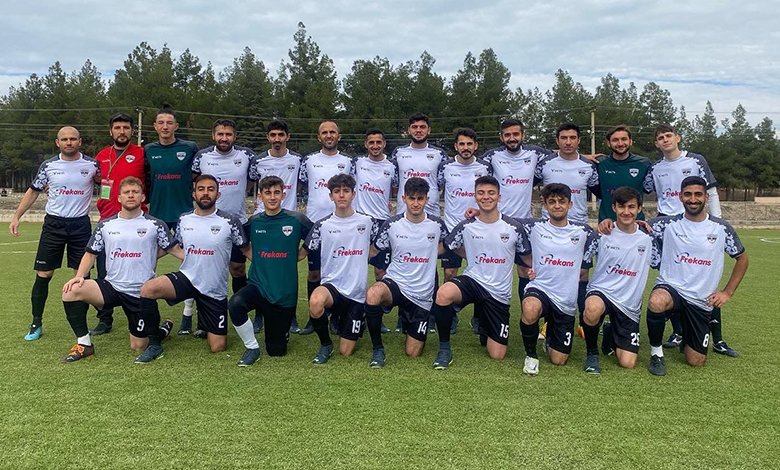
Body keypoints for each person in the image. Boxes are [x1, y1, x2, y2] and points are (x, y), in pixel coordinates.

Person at [60, 177, 182, 362]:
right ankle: (85, 345)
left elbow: (174, 249)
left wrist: (200, 258)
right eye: (126, 192)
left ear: (143, 197)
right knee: (71, 291)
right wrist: (79, 276)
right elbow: (90, 254)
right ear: (119, 198)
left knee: (138, 346)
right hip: (112, 287)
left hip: (141, 292)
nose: (131, 195)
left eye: (135, 192)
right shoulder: (106, 225)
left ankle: (161, 331)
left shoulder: (155, 224)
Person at [134, 174, 251, 362]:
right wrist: (143, 256)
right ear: (194, 194)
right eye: (201, 189)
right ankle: (155, 343)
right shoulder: (184, 219)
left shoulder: (230, 221)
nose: (205, 193)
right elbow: (174, 246)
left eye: (210, 189)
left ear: (218, 194)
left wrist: (271, 265)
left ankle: (204, 321)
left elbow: (246, 250)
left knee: (218, 347)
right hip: (187, 278)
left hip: (214, 289)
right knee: (148, 289)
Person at [642, 124, 734, 355]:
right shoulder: (655, 168)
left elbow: (711, 190)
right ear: (656, 143)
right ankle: (679, 331)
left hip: (697, 223)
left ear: (678, 137)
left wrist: (717, 221)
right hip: (669, 227)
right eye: (660, 138)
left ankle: (718, 339)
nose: (665, 140)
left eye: (668, 136)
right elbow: (643, 188)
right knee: (673, 279)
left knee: (704, 278)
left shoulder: (695, 160)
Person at [645, 176, 748, 376]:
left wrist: (727, 292)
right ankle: (656, 354)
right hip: (672, 288)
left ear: (706, 197)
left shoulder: (721, 228)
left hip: (700, 300)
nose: (693, 199)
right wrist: (610, 224)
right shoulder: (665, 224)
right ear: (680, 197)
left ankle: (686, 333)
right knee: (657, 301)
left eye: (698, 194)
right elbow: (631, 226)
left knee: (696, 361)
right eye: (688, 194)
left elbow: (742, 258)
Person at [9, 126, 99, 342]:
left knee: (81, 277)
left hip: (80, 225)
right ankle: (36, 323)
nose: (69, 142)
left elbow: (106, 185)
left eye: (73, 139)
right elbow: (33, 191)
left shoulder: (93, 165)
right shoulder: (48, 165)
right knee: (44, 274)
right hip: (54, 225)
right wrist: (16, 216)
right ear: (57, 143)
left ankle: (82, 325)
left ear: (80, 141)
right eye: (64, 139)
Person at [430, 175, 527, 370]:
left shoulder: (514, 227)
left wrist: (537, 270)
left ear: (499, 197)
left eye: (491, 193)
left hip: (498, 293)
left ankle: (484, 325)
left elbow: (528, 257)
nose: (486, 197)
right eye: (481, 193)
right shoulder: (466, 225)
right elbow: (447, 246)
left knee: (497, 355)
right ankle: (444, 348)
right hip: (473, 281)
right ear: (475, 197)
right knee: (443, 293)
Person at [228, 176, 312, 366]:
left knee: (276, 351)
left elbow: (317, 233)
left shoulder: (296, 220)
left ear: (283, 195)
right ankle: (252, 347)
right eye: (267, 193)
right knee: (235, 304)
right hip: (259, 287)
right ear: (260, 197)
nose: (272, 197)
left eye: (276, 193)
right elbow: (240, 240)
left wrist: (302, 253)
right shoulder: (254, 222)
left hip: (284, 293)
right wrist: (252, 255)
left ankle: (279, 330)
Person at [364, 177, 447, 368]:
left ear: (427, 199)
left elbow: (447, 246)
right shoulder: (392, 225)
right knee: (373, 293)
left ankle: (409, 323)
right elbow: (373, 251)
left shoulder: (437, 225)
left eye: (420, 198)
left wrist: (430, 253)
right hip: (396, 283)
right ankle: (378, 349)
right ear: (404, 199)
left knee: (413, 353)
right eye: (412, 198)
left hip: (421, 294)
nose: (416, 203)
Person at [519, 183, 598, 376]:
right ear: (545, 205)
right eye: (552, 201)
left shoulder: (583, 231)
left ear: (570, 205)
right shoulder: (533, 227)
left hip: (565, 300)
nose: (557, 205)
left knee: (559, 360)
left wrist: (638, 224)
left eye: (561, 201)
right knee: (530, 308)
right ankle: (531, 356)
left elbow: (614, 232)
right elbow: (501, 221)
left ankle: (549, 337)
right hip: (540, 289)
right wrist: (478, 212)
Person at [300, 174, 378, 365]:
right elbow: (301, 254)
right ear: (331, 196)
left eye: (346, 191)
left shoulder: (368, 222)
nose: (341, 195)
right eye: (337, 191)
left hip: (357, 294)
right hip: (332, 288)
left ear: (353, 194)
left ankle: (361, 317)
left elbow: (380, 246)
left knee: (346, 352)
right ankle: (325, 345)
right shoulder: (322, 225)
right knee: (316, 301)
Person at [191, 119, 260, 329]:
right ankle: (204, 318)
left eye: (228, 134)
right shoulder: (201, 157)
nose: (224, 138)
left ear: (234, 137)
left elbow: (251, 180)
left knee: (238, 269)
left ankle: (241, 311)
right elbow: (195, 182)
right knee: (207, 269)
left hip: (238, 221)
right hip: (208, 224)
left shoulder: (246, 155)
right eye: (220, 134)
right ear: (213, 136)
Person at [535, 123, 601, 335]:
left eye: (573, 138)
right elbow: (525, 183)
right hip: (549, 230)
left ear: (579, 140)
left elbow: (601, 192)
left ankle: (582, 323)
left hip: (578, 229)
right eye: (564, 138)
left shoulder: (589, 167)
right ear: (557, 141)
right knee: (550, 274)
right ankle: (547, 323)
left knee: (581, 274)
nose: (568, 142)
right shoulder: (545, 164)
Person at [581, 187, 653, 374]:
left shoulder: (648, 237)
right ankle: (592, 353)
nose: (626, 212)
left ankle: (610, 332)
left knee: (627, 363)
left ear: (639, 209)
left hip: (628, 302)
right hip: (602, 291)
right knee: (592, 309)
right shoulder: (602, 234)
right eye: (621, 207)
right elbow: (581, 262)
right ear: (614, 208)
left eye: (631, 207)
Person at [143, 105, 200, 335]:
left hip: (185, 215)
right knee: (148, 262)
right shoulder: (148, 150)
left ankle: (188, 315)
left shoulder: (190, 148)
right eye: (161, 123)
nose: (165, 126)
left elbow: (198, 175)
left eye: (169, 123)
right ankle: (147, 313)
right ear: (155, 126)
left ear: (176, 126)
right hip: (157, 216)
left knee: (191, 263)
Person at [91, 112, 148, 336]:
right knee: (104, 271)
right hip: (108, 220)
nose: (122, 131)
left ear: (132, 131)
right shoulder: (101, 156)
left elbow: (153, 180)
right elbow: (87, 178)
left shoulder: (143, 153)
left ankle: (141, 314)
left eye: (126, 127)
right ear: (111, 131)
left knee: (138, 270)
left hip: (136, 221)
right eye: (117, 128)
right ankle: (105, 319)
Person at [298, 121, 355, 335]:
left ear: (339, 136)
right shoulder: (309, 161)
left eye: (332, 132)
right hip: (315, 224)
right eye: (324, 132)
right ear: (318, 137)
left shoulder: (349, 161)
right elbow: (303, 185)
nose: (329, 135)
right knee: (314, 273)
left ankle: (337, 316)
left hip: (341, 224)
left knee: (339, 271)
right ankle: (315, 317)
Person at [252, 120, 305, 333]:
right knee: (261, 269)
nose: (277, 139)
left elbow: (302, 185)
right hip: (263, 220)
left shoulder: (298, 160)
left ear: (287, 137)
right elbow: (251, 184)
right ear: (268, 137)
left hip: (287, 222)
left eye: (281, 135)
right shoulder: (257, 161)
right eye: (273, 135)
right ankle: (259, 315)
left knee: (288, 271)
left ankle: (291, 316)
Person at [438, 127, 490, 333]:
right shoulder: (445, 167)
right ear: (456, 146)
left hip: (479, 230)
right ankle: (450, 315)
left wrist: (479, 211)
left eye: (469, 144)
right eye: (462, 144)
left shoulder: (485, 167)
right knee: (450, 273)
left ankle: (479, 317)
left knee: (481, 275)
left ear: (475, 146)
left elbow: (492, 195)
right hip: (452, 229)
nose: (466, 147)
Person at [353, 128, 398, 334]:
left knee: (381, 272)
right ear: (366, 144)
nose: (375, 146)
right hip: (361, 222)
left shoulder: (392, 166)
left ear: (384, 144)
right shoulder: (357, 163)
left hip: (382, 223)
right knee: (357, 271)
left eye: (378, 142)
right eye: (371, 142)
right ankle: (354, 314)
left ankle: (376, 316)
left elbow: (397, 189)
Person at [391, 113, 449, 218]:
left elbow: (442, 184)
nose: (418, 130)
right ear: (409, 130)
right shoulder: (398, 152)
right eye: (414, 127)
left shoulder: (439, 154)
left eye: (422, 127)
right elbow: (393, 183)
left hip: (431, 214)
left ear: (429, 130)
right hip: (404, 213)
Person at [595, 125, 651, 222]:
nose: (620, 143)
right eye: (615, 140)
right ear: (608, 143)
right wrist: (586, 156)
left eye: (624, 139)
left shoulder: (644, 163)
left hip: (635, 223)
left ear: (630, 141)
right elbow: (571, 157)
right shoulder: (599, 163)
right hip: (607, 224)